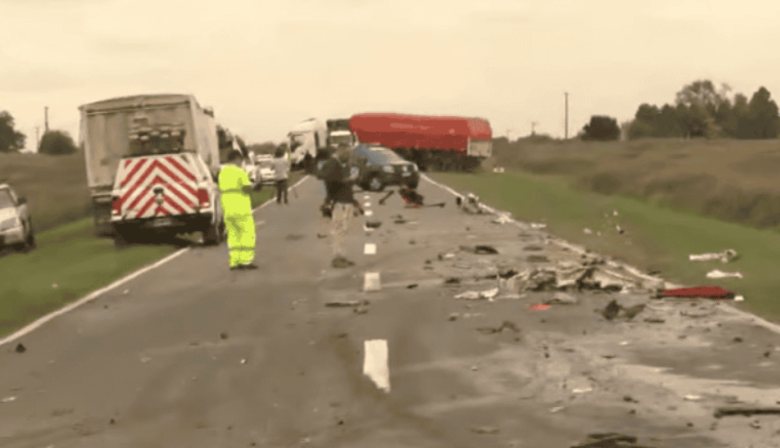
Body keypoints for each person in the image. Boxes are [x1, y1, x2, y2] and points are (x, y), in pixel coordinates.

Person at [318, 145, 361, 267]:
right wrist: (350, 179)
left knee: (341, 231)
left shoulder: (336, 164)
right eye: (347, 155)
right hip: (339, 202)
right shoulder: (333, 164)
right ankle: (337, 257)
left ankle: (341, 256)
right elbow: (334, 183)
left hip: (342, 201)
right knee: (339, 231)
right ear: (341, 151)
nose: (348, 157)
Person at [218, 150, 259, 270]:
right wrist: (254, 184)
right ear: (237, 159)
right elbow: (247, 188)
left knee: (233, 235)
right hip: (241, 208)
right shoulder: (239, 172)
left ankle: (234, 261)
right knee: (247, 234)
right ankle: (246, 260)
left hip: (228, 209)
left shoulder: (223, 172)